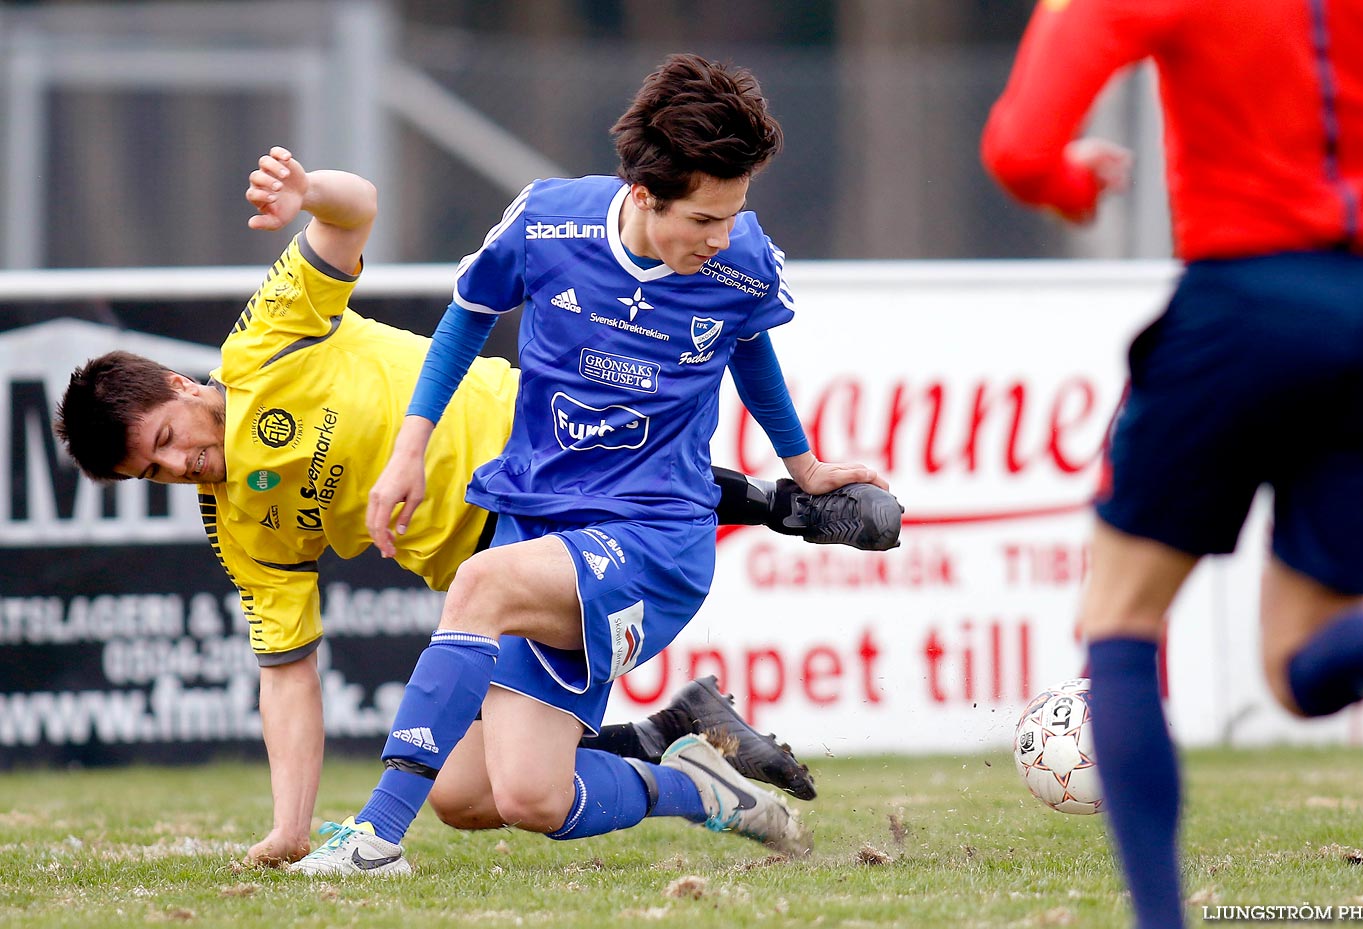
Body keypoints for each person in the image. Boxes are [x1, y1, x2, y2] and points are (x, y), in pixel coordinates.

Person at [53, 146, 902, 867]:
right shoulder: (239, 524)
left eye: (165, 437)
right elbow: (286, 674)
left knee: (581, 494)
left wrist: (310, 192)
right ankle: (676, 756)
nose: (179, 463)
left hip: (538, 465)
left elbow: (354, 214)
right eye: (154, 473)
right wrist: (287, 822)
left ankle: (765, 500)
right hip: (494, 565)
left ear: (177, 383)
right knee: (474, 794)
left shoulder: (263, 343)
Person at [288, 53, 888, 876]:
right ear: (644, 195)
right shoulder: (547, 222)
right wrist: (409, 449)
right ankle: (707, 789)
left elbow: (751, 342)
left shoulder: (740, 258)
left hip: (653, 540)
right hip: (539, 520)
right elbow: (468, 315)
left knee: (482, 585)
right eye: (705, 220)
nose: (723, 238)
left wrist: (806, 465)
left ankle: (373, 839)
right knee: (494, 798)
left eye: (734, 215)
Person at [981, 1, 1363, 926]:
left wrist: (1068, 186)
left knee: (1121, 619)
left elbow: (1019, 148)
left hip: (1241, 304)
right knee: (1299, 666)